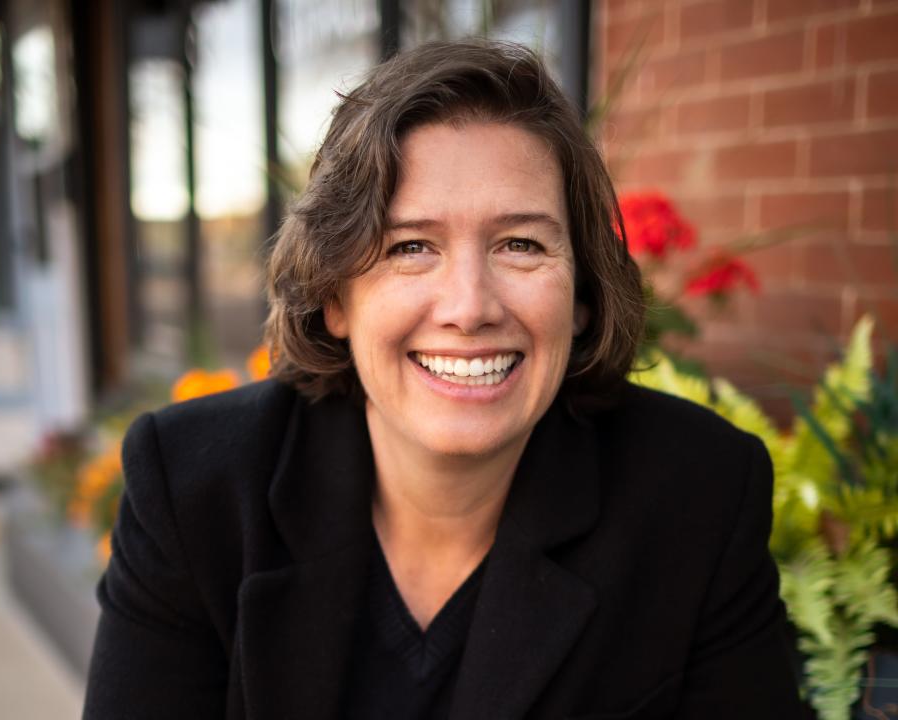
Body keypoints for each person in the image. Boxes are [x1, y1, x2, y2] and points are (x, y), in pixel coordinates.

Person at [83, 39, 802, 719]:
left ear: (581, 292)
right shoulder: (194, 487)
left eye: (521, 245)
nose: (469, 308)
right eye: (411, 247)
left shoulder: (697, 493)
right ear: (335, 295)